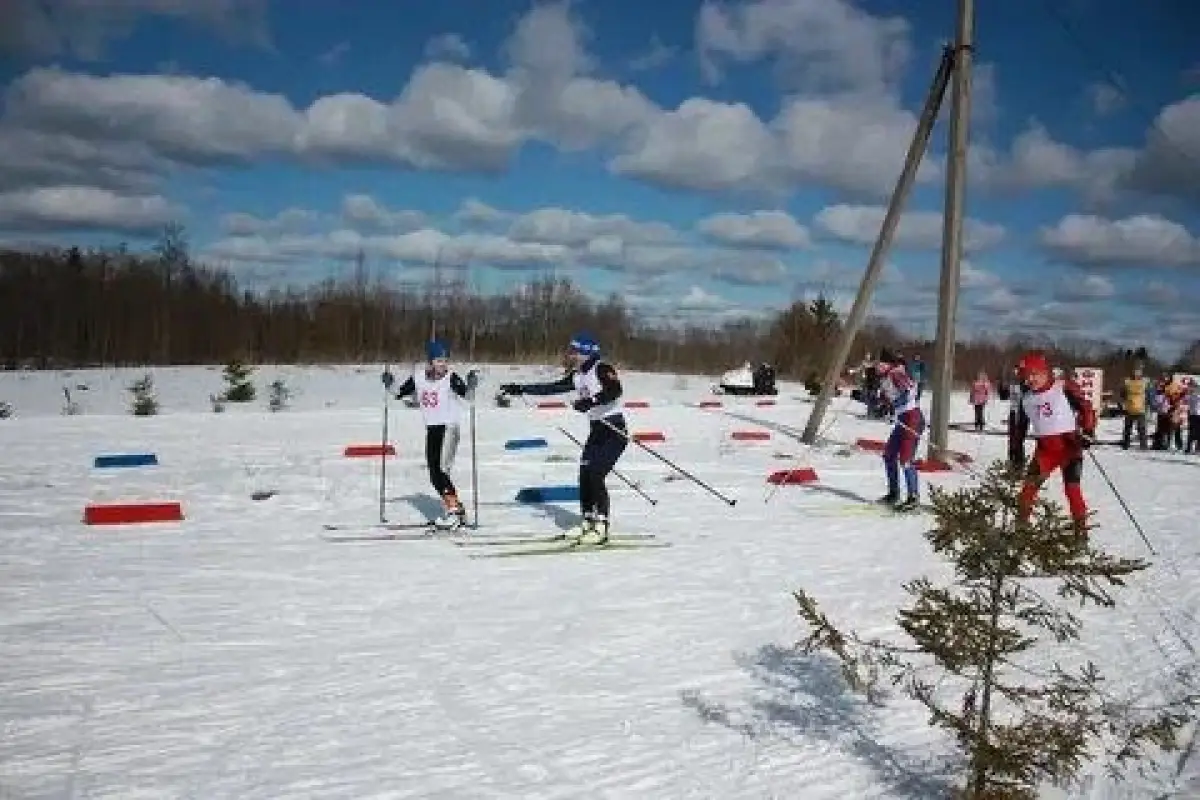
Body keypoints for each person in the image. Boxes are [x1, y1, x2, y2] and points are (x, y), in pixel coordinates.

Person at [499, 334, 627, 544]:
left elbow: (615, 390)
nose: (572, 355)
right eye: (572, 351)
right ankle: (587, 521)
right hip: (597, 430)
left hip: (614, 430)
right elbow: (552, 387)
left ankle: (602, 525)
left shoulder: (602, 369)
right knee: (584, 475)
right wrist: (520, 388)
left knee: (596, 475)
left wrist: (591, 401)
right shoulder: (577, 376)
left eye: (576, 352)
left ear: (588, 352)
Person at [381, 339, 478, 529]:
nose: (443, 365)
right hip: (432, 429)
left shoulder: (451, 378)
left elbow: (468, 396)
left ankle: (454, 511)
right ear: (430, 361)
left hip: (449, 428)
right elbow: (399, 393)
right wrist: (389, 384)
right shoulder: (418, 378)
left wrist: (472, 385)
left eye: (445, 361)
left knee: (442, 470)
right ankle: (456, 508)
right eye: (439, 361)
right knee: (434, 475)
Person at [1015, 352, 1097, 536]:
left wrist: (1088, 431)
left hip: (1069, 447)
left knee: (1072, 490)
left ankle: (1080, 532)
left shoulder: (1062, 387)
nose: (1031, 379)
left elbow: (1086, 408)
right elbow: (1020, 428)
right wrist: (1016, 450)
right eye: (1027, 376)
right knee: (1028, 489)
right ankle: (1020, 529)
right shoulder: (1026, 398)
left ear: (1045, 372)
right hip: (1045, 452)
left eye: (1035, 374)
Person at [877, 348, 924, 511]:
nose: (878, 366)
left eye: (881, 363)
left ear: (889, 364)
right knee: (889, 455)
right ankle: (893, 493)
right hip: (902, 419)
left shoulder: (896, 374)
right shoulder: (884, 379)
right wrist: (863, 398)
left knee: (905, 459)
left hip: (913, 418)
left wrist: (893, 405)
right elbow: (884, 400)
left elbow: (909, 392)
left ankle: (913, 497)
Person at [1120, 365, 1148, 450]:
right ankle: (1125, 444)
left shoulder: (1144, 382)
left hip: (1140, 409)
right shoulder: (1127, 382)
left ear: (1141, 374)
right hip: (1129, 409)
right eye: (1135, 373)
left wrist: (1148, 404)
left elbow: (1149, 394)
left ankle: (1143, 445)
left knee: (1141, 428)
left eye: (1138, 373)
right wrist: (1124, 403)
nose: (1136, 375)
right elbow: (1122, 394)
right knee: (1127, 428)